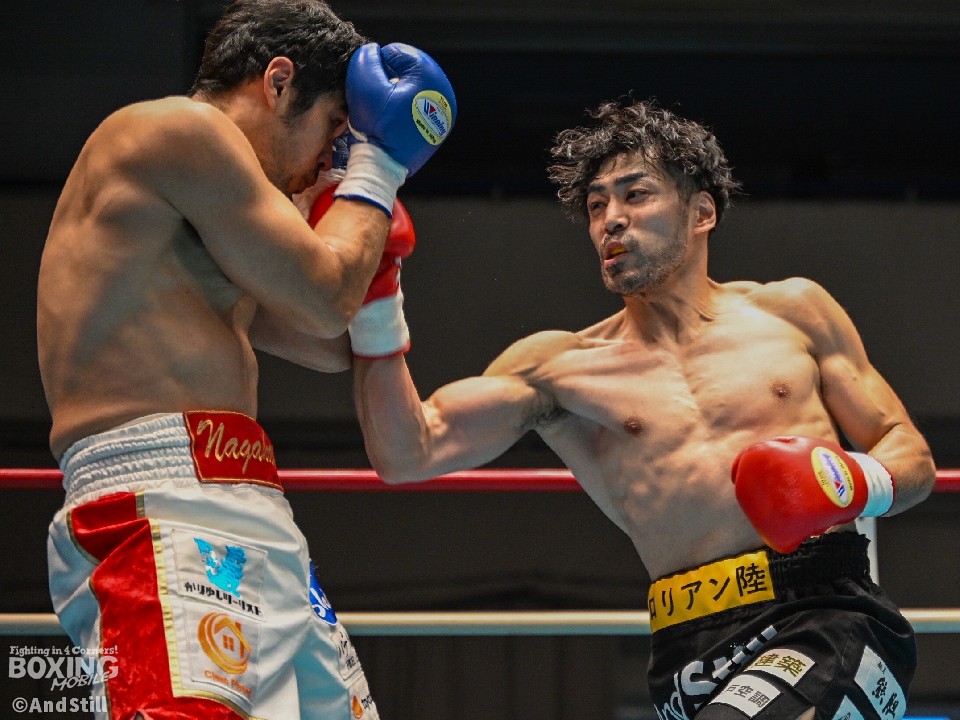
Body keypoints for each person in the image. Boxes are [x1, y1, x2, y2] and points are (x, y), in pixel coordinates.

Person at [350, 98, 936, 719]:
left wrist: (849, 484)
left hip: (826, 614)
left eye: (636, 195)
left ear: (702, 212)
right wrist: (376, 300)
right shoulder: (559, 369)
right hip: (686, 648)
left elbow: (910, 454)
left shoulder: (793, 313)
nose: (612, 219)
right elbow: (406, 453)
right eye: (596, 205)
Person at [37, 0, 455, 717]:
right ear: (278, 82)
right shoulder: (177, 130)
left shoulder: (212, 211)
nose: (332, 157)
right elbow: (323, 301)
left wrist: (376, 270)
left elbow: (328, 343)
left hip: (250, 503)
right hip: (159, 502)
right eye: (334, 128)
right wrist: (378, 169)